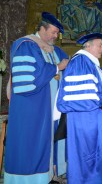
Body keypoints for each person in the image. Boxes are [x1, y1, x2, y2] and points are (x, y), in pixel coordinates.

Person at [4, 12, 69, 183]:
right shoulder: (26, 45)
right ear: (42, 28)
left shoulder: (52, 49)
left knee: (47, 142)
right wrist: (56, 68)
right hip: (31, 108)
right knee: (29, 143)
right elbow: (30, 79)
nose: (56, 36)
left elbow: (67, 62)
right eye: (53, 32)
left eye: (57, 33)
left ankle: (48, 175)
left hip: (48, 109)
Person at [56, 32, 102, 183]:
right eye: (100, 45)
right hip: (86, 120)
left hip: (95, 118)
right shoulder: (80, 62)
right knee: (87, 155)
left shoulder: (93, 64)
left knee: (95, 154)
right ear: (88, 46)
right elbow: (85, 92)